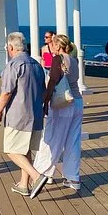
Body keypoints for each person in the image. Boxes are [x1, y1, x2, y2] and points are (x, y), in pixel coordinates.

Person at [0, 32, 48, 199]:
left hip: (18, 115)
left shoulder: (14, 65)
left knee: (11, 149)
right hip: (35, 114)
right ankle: (24, 185)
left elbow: (6, 91)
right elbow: (44, 91)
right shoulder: (36, 65)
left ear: (11, 47)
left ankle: (36, 176)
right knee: (25, 149)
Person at [33, 34, 84, 192]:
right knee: (73, 141)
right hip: (77, 100)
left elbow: (53, 81)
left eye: (53, 44)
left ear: (57, 46)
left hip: (62, 103)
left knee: (52, 138)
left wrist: (45, 101)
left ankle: (41, 174)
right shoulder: (74, 60)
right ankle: (72, 177)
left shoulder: (58, 59)